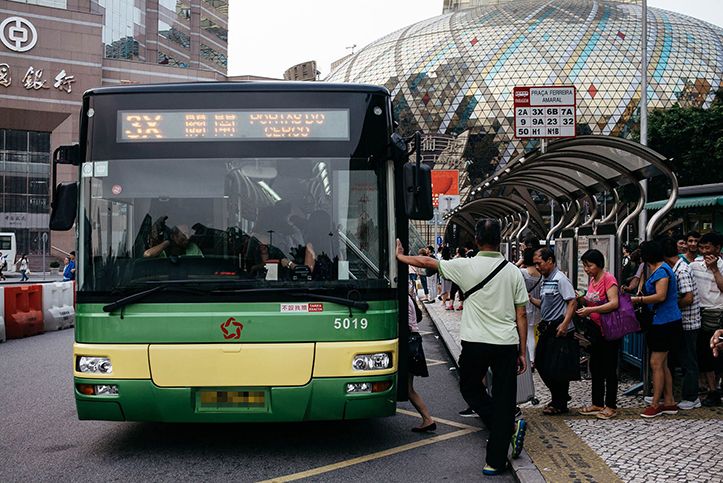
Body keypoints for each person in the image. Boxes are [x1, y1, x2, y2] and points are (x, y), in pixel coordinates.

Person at [395, 218, 528, 476]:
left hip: (476, 342)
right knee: (504, 398)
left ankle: (507, 428)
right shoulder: (513, 271)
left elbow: (427, 262)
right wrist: (523, 351)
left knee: (469, 388)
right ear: (500, 240)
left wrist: (401, 257)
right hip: (506, 343)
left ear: (477, 240)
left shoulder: (465, 266)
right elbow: (521, 314)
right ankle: (496, 459)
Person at [632, 240, 682, 418]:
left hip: (664, 322)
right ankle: (669, 401)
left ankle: (656, 403)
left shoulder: (662, 271)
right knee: (663, 364)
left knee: (656, 363)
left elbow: (660, 296)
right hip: (663, 321)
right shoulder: (660, 269)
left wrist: (638, 300)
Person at [530, 248, 578, 415]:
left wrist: (565, 324)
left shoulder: (560, 279)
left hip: (559, 330)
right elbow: (544, 304)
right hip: (548, 328)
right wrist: (529, 299)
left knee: (557, 367)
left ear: (550, 260)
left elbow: (572, 302)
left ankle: (560, 402)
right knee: (542, 364)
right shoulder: (545, 281)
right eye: (535, 264)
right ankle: (560, 397)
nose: (537, 267)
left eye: (539, 263)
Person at [575, 249, 621, 419]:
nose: (587, 269)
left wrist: (590, 309)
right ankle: (597, 402)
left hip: (609, 330)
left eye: (589, 265)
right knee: (596, 366)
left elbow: (614, 303)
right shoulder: (593, 279)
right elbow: (593, 299)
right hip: (595, 329)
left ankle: (610, 405)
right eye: (585, 266)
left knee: (609, 368)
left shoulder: (609, 279)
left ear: (599, 264)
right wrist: (582, 299)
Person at [659, 237, 701, 410]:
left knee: (688, 361)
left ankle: (692, 397)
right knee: (678, 359)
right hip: (681, 322)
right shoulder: (676, 268)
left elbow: (688, 298)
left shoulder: (681, 270)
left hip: (688, 322)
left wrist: (670, 305)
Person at [689, 232, 723, 407]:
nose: (704, 251)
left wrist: (715, 269)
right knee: (705, 354)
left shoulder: (722, 266)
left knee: (717, 355)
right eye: (701, 248)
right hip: (700, 313)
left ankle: (716, 387)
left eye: (707, 247)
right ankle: (712, 389)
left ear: (717, 248)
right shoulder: (694, 266)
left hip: (718, 313)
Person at [406, 291, 436, 432]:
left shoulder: (403, 299)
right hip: (413, 340)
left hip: (409, 342)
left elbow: (407, 325)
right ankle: (427, 419)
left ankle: (427, 419)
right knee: (408, 388)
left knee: (409, 389)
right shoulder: (409, 297)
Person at [519, 247, 542, 367]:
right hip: (538, 305)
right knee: (535, 332)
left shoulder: (522, 273)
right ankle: (535, 357)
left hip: (526, 305)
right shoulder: (541, 273)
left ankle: (531, 358)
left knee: (529, 333)